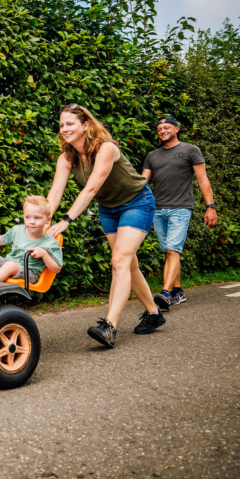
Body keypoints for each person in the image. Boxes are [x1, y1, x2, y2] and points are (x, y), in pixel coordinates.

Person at [45, 104, 163, 348]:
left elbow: (92, 188)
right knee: (128, 264)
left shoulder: (106, 148)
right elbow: (55, 191)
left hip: (137, 203)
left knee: (119, 261)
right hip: (109, 208)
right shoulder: (67, 158)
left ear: (85, 125)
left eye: (70, 124)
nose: (64, 129)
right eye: (61, 125)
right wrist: (45, 217)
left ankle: (109, 326)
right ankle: (154, 313)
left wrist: (66, 220)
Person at [141, 114, 217, 310]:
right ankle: (177, 291)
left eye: (167, 127)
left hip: (181, 209)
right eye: (159, 129)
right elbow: (142, 183)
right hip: (157, 209)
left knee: (173, 249)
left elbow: (202, 180)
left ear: (176, 129)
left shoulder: (190, 150)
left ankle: (164, 293)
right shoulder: (152, 156)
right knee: (169, 251)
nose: (162, 130)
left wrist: (211, 207)